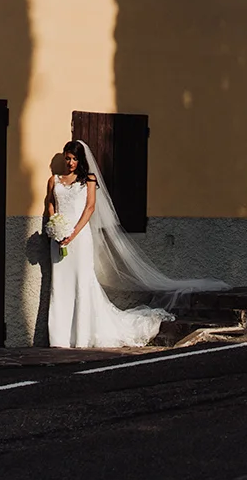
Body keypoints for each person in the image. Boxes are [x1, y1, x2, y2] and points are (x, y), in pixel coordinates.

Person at [44, 139, 228, 348]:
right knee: (60, 284)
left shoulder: (89, 180)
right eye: (68, 158)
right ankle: (60, 338)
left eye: (75, 159)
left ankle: (82, 336)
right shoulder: (54, 180)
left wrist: (73, 233)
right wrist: (55, 225)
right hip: (58, 238)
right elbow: (50, 203)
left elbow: (90, 208)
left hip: (79, 237)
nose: (70, 163)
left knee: (82, 282)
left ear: (81, 160)